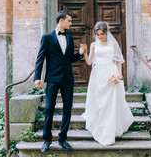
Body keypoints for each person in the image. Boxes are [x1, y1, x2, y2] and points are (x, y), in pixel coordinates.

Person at [34, 10, 87, 152]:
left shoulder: (69, 38)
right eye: (69, 20)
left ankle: (63, 138)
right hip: (52, 78)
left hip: (67, 78)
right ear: (61, 21)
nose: (71, 23)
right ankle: (47, 139)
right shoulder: (46, 38)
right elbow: (40, 58)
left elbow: (69, 59)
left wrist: (80, 55)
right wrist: (37, 77)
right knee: (49, 107)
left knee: (67, 109)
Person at [82, 21, 134, 146]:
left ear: (107, 32)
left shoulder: (114, 43)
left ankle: (110, 130)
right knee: (100, 102)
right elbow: (89, 62)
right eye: (98, 34)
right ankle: (99, 127)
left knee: (110, 102)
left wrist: (119, 75)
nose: (100, 37)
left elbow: (118, 61)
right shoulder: (94, 44)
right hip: (98, 74)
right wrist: (84, 52)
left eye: (102, 34)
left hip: (111, 73)